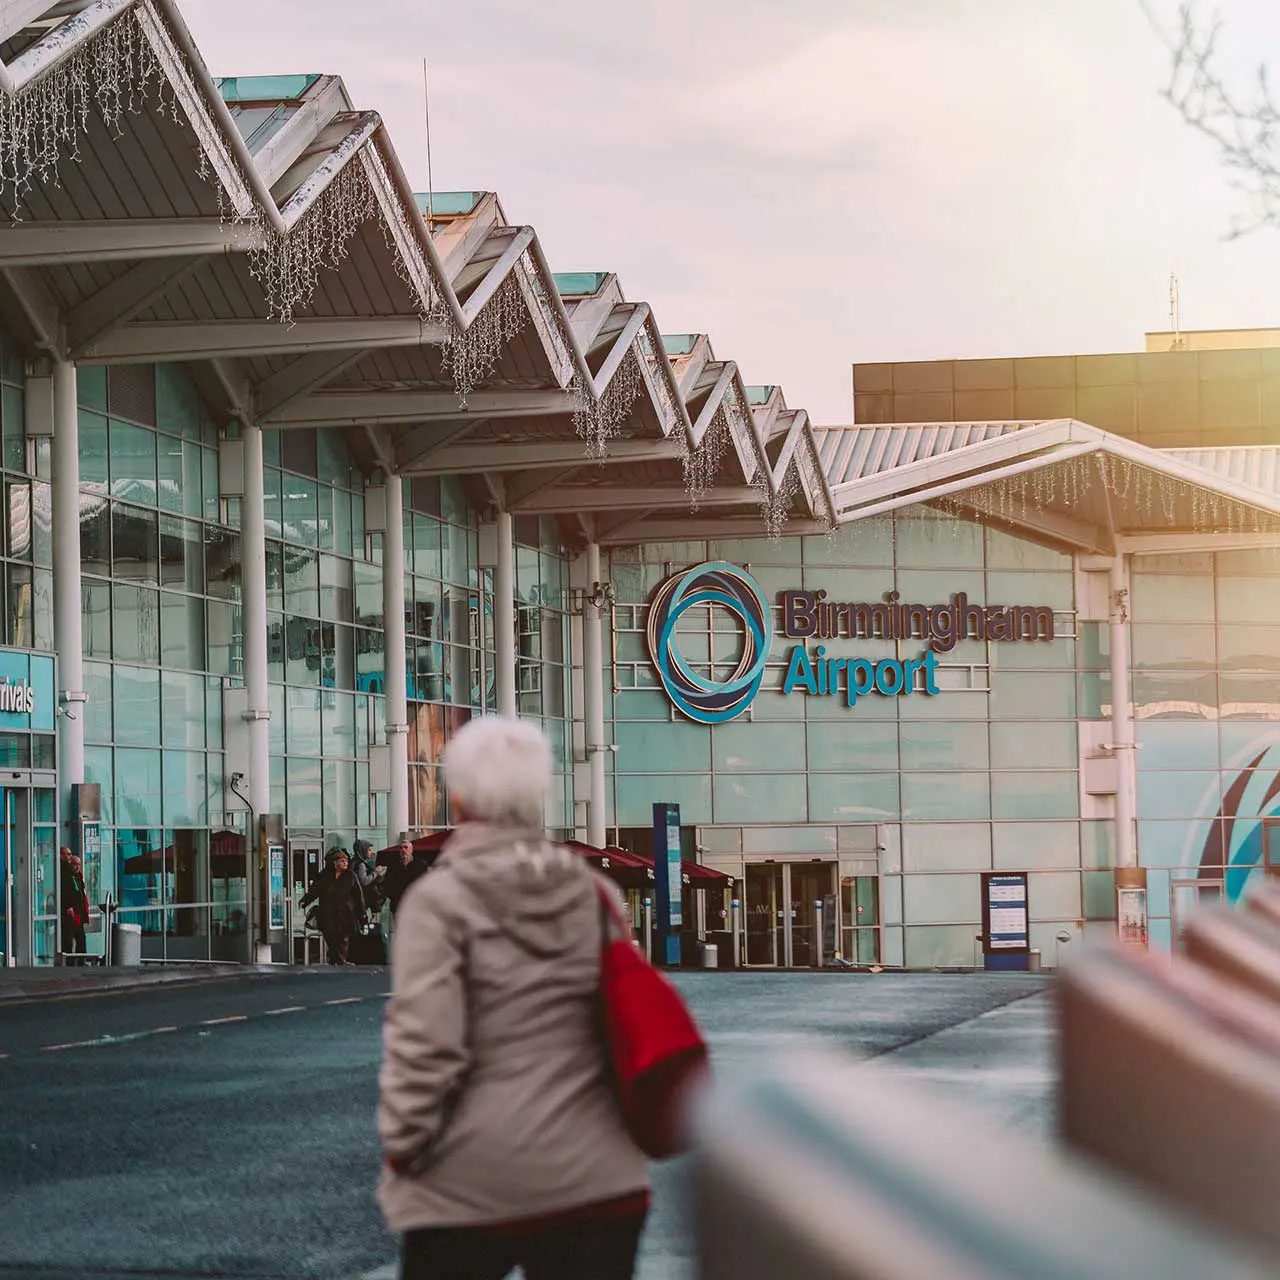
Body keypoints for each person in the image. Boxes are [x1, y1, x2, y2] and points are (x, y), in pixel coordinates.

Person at [379, 716, 649, 1280]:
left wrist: (405, 1146)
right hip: (596, 1179)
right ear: (537, 796)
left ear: (456, 800)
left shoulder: (438, 902)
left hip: (472, 1176)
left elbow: (427, 1043)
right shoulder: (594, 893)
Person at [299, 848, 365, 965]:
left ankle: (339, 960)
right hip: (328, 913)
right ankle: (336, 959)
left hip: (345, 914)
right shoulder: (324, 875)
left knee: (343, 938)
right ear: (334, 862)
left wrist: (361, 912)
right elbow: (315, 890)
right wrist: (305, 900)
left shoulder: (350, 876)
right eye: (342, 861)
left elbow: (358, 895)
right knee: (330, 936)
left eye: (346, 861)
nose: (345, 863)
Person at [381, 838, 426, 916]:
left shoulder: (419, 865)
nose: (403, 850)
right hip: (398, 904)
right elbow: (387, 883)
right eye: (401, 848)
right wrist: (394, 896)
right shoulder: (393, 865)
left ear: (411, 850)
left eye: (406, 847)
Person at [59, 847, 89, 966]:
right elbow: (64, 892)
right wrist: (68, 907)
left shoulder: (78, 877)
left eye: (79, 864)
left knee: (81, 939)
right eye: (75, 864)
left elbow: (82, 892)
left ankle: (81, 961)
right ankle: (69, 963)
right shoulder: (65, 875)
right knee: (68, 939)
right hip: (70, 912)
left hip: (79, 911)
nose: (77, 867)